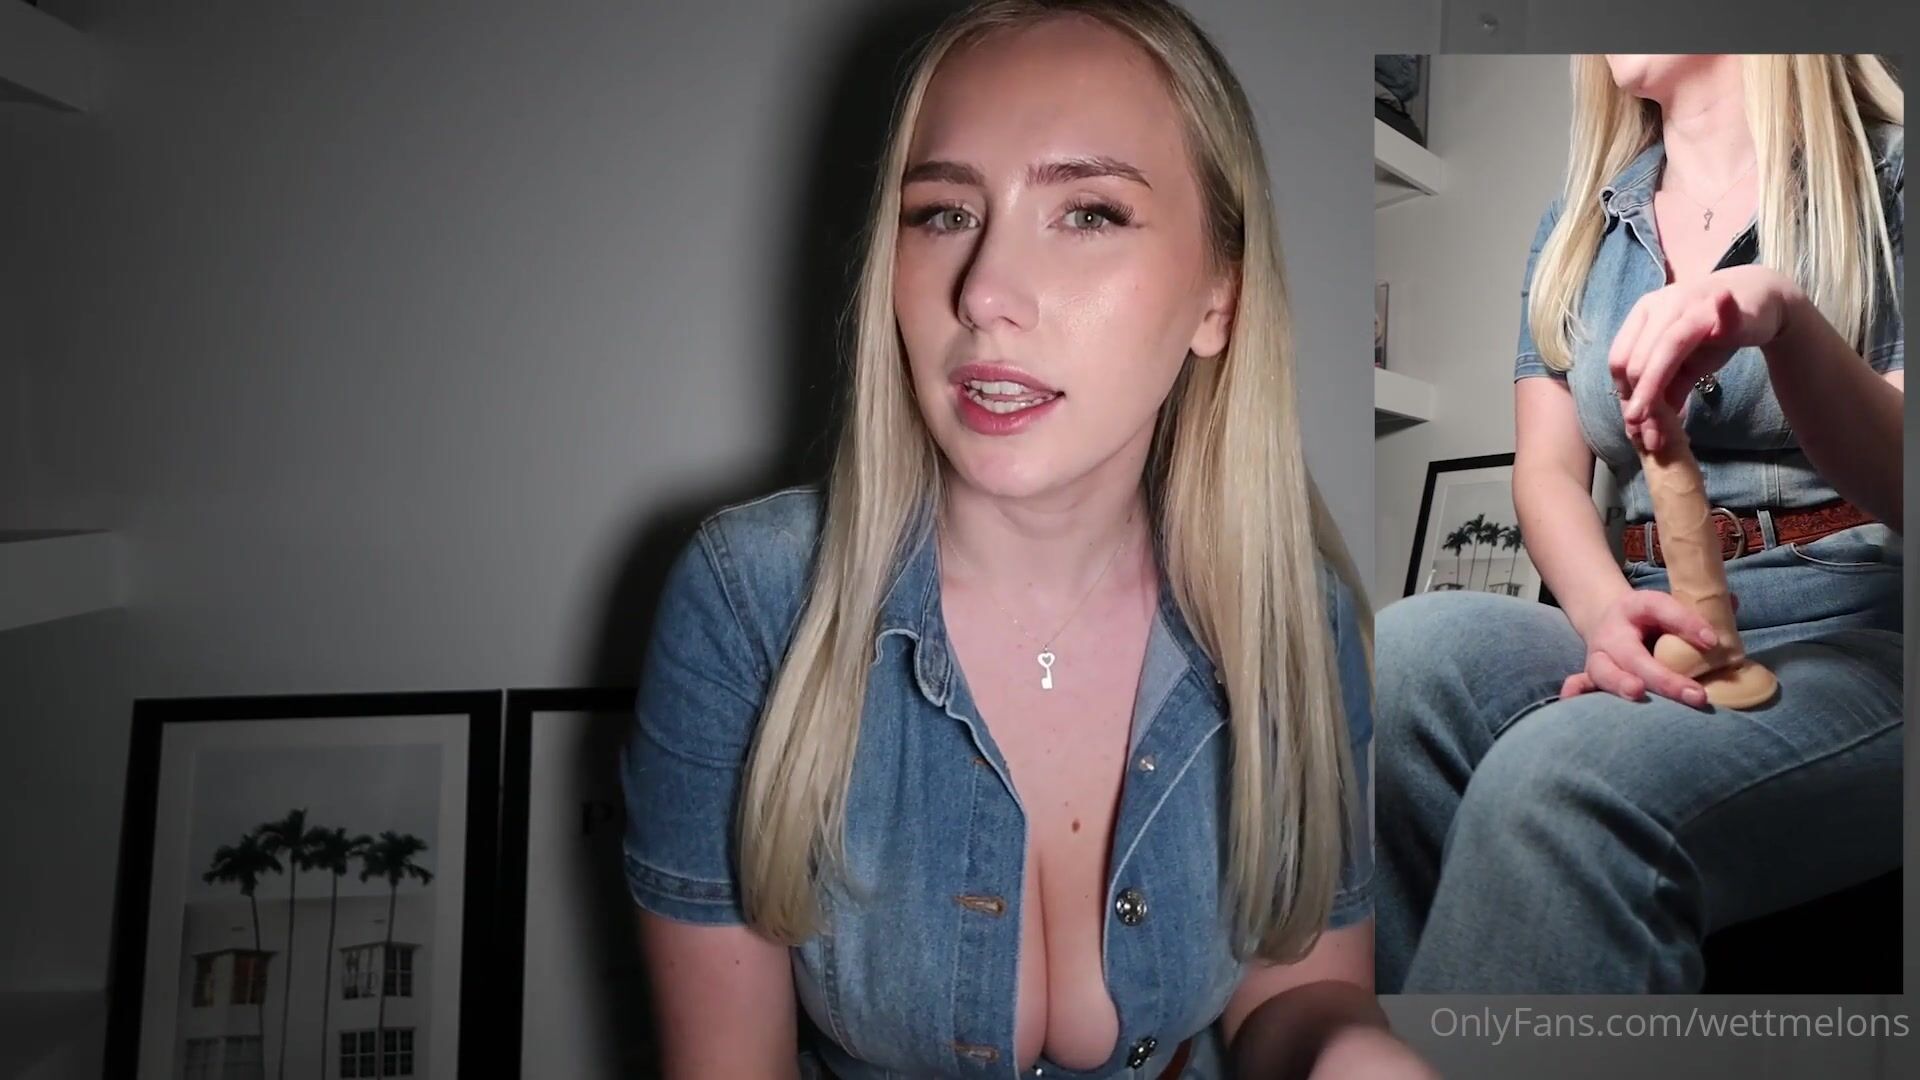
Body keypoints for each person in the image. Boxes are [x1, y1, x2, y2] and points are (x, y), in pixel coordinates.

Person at [620, 2, 1435, 1076]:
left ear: (1219, 298)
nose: (985, 293)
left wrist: (1344, 1051)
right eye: (943, 214)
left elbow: (1296, 987)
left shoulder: (1298, 621)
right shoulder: (750, 605)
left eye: (1088, 213)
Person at [1376, 54, 1904, 993]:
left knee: (1557, 783)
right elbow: (1547, 472)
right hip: (1645, 606)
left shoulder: (1889, 177)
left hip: (1860, 625)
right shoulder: (1575, 226)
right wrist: (1602, 614)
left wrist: (1785, 321)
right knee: (1396, 661)